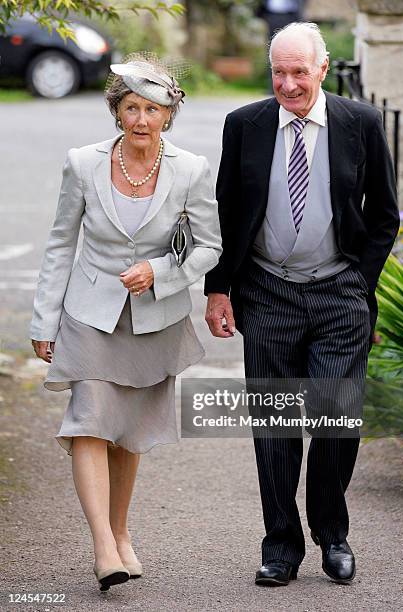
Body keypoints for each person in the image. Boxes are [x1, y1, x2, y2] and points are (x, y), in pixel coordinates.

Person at [205, 23, 399, 586]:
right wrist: (219, 288)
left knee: (336, 421)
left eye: (298, 72)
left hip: (339, 289)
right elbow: (227, 211)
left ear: (321, 67)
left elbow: (384, 215)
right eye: (278, 72)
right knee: (275, 427)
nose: (288, 84)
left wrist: (360, 284)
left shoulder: (359, 122)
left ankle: (332, 534)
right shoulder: (245, 124)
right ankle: (281, 545)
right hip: (267, 291)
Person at [30, 54, 222, 592]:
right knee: (89, 419)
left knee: (128, 434)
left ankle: (120, 531)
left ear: (168, 114)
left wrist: (159, 271)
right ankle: (102, 548)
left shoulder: (190, 169)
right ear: (117, 112)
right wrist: (44, 320)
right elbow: (60, 243)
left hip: (152, 320)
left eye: (152, 109)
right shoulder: (83, 163)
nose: (141, 119)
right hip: (89, 313)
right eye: (131, 107)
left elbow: (210, 246)